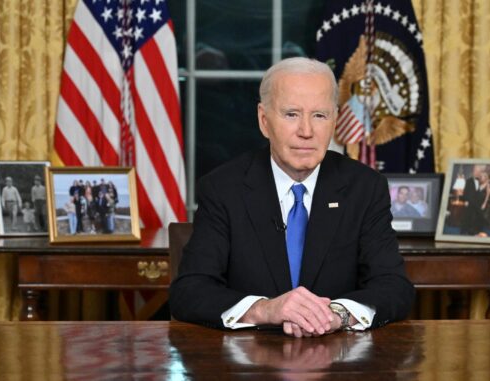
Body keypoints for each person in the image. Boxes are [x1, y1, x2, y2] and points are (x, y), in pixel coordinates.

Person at [169, 57, 414, 338]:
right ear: (264, 121)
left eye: (319, 115)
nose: (306, 131)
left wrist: (337, 315)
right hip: (247, 362)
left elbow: (394, 287)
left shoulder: (365, 188)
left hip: (339, 361)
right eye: (291, 114)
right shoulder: (223, 188)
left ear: (334, 120)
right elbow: (189, 290)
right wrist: (264, 310)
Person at [462, 166, 490, 235]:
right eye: (476, 171)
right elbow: (465, 192)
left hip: (479, 203)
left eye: (478, 171)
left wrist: (484, 203)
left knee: (477, 217)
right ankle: (466, 231)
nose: (477, 173)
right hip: (471, 202)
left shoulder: (482, 182)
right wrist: (466, 200)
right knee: (470, 217)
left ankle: (476, 230)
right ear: (473, 171)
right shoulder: (469, 181)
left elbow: (487, 195)